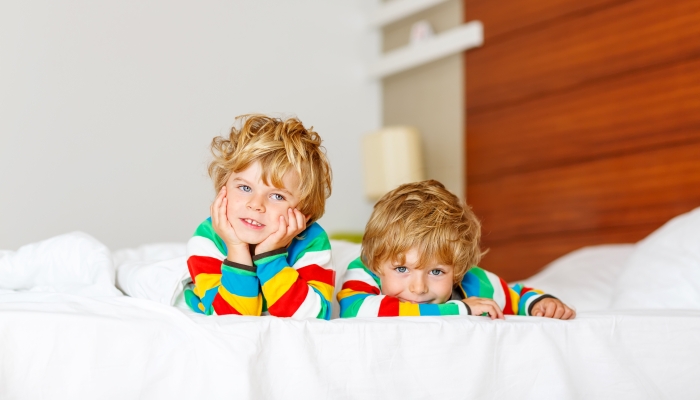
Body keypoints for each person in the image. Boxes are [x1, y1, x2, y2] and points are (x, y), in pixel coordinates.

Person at [337, 180, 575, 319]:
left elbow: (516, 295)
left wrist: (540, 303)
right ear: (377, 263)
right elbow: (355, 310)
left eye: (437, 272)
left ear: (458, 270)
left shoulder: (473, 284)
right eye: (402, 268)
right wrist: (459, 309)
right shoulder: (365, 269)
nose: (418, 288)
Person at [184, 114, 335, 319]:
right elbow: (230, 320)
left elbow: (314, 318)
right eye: (245, 187)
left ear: (304, 215)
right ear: (223, 189)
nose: (256, 205)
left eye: (276, 196)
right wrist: (237, 249)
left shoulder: (311, 242)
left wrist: (270, 255)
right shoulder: (208, 238)